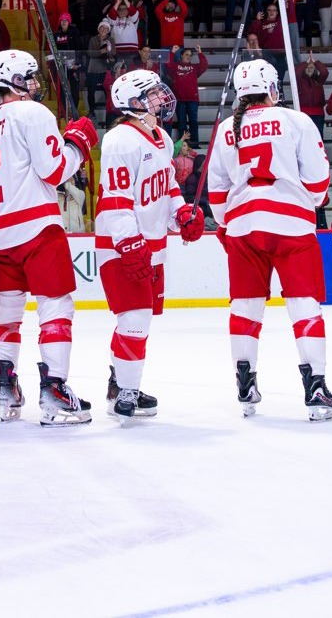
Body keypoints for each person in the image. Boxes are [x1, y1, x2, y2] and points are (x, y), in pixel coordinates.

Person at [207, 60, 332, 421]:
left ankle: (245, 383)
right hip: (292, 225)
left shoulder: (225, 131)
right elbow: (317, 182)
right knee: (304, 306)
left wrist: (228, 223)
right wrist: (306, 200)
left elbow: (217, 191)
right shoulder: (296, 121)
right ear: (272, 89)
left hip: (244, 226)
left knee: (245, 308)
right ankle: (316, 387)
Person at [0, 50, 97, 424]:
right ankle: (55, 388)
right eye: (28, 77)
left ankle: (6, 385)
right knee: (56, 306)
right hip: (36, 227)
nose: (34, 84)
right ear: (12, 80)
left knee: (6, 314)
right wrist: (78, 144)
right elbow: (55, 169)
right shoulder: (32, 113)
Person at [93, 70, 201, 421]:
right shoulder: (120, 140)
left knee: (139, 320)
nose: (160, 99)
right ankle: (125, 390)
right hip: (121, 243)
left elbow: (167, 187)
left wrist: (181, 214)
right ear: (134, 103)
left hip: (151, 244)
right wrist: (128, 243)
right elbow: (116, 200)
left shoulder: (159, 137)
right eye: (152, 94)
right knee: (134, 318)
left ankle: (121, 382)